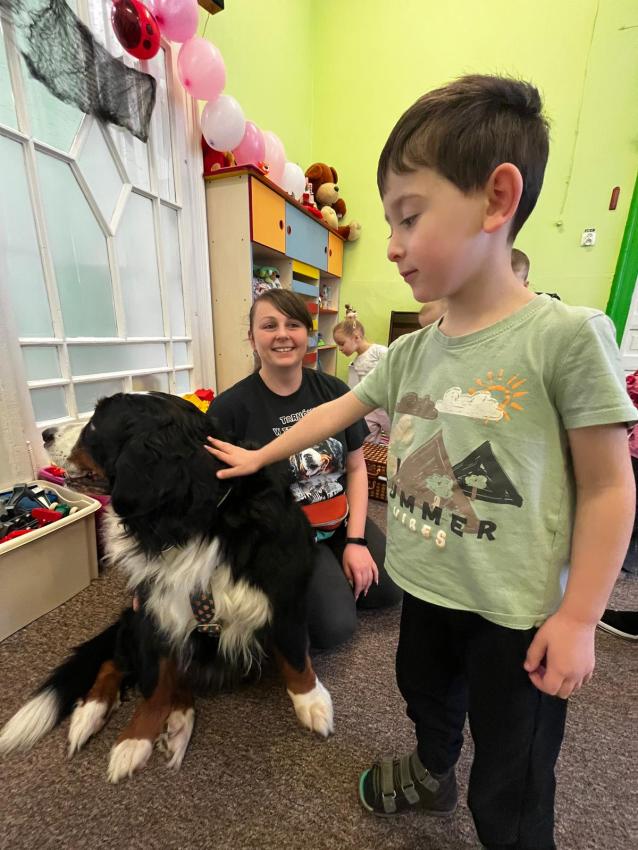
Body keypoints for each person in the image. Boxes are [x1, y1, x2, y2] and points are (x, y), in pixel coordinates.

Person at [205, 75, 636, 850]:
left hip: (517, 613)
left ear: (496, 199)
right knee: (423, 692)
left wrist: (578, 620)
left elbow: (609, 487)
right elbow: (334, 414)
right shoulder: (409, 353)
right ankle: (434, 771)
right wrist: (261, 451)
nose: (393, 244)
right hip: (430, 589)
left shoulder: (567, 338)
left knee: (512, 769)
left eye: (410, 216)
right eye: (389, 222)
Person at [206, 289, 401, 651]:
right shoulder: (229, 408)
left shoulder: (334, 391)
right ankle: (320, 582)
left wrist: (356, 542)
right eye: (269, 326)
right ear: (251, 338)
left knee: (389, 590)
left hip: (337, 515)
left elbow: (356, 468)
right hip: (286, 535)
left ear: (308, 335)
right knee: (333, 627)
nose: (282, 334)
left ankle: (332, 571)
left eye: (293, 325)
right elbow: (215, 495)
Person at [332, 313, 390, 443]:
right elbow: (359, 386)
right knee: (366, 438)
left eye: (342, 344)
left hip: (386, 405)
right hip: (369, 406)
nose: (340, 349)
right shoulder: (356, 361)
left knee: (399, 436)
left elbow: (395, 367)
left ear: (356, 337)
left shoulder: (378, 351)